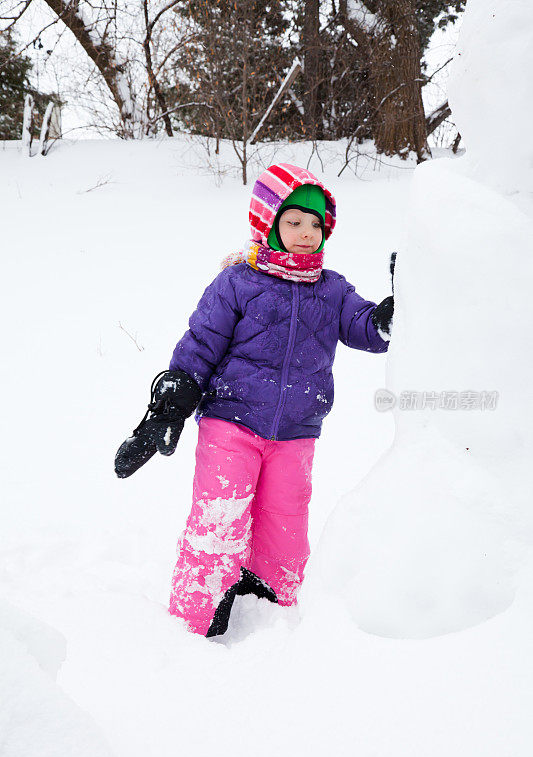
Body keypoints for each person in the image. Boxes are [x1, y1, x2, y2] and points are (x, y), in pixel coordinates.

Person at [115, 163, 394, 637]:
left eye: (316, 224)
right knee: (218, 521)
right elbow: (200, 345)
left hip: (296, 434)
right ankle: (194, 620)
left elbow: (370, 330)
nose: (308, 234)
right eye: (294, 222)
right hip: (231, 424)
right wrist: (171, 403)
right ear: (269, 223)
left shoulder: (332, 290)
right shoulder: (238, 282)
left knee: (285, 531)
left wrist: (404, 303)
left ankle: (272, 618)